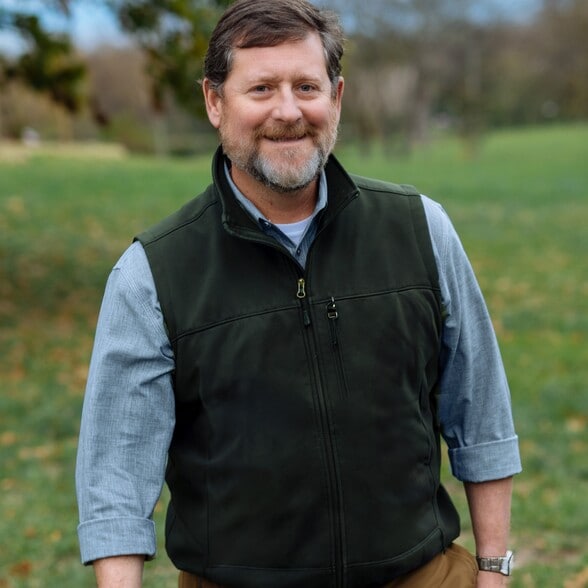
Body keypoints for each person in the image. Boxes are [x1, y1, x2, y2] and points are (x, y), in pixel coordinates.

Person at [75, 1, 522, 586]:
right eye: (261, 88)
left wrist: (492, 569)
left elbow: (481, 414)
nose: (288, 111)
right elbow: (115, 477)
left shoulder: (422, 230)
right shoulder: (151, 274)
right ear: (215, 102)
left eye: (306, 87)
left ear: (336, 96)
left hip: (423, 575)